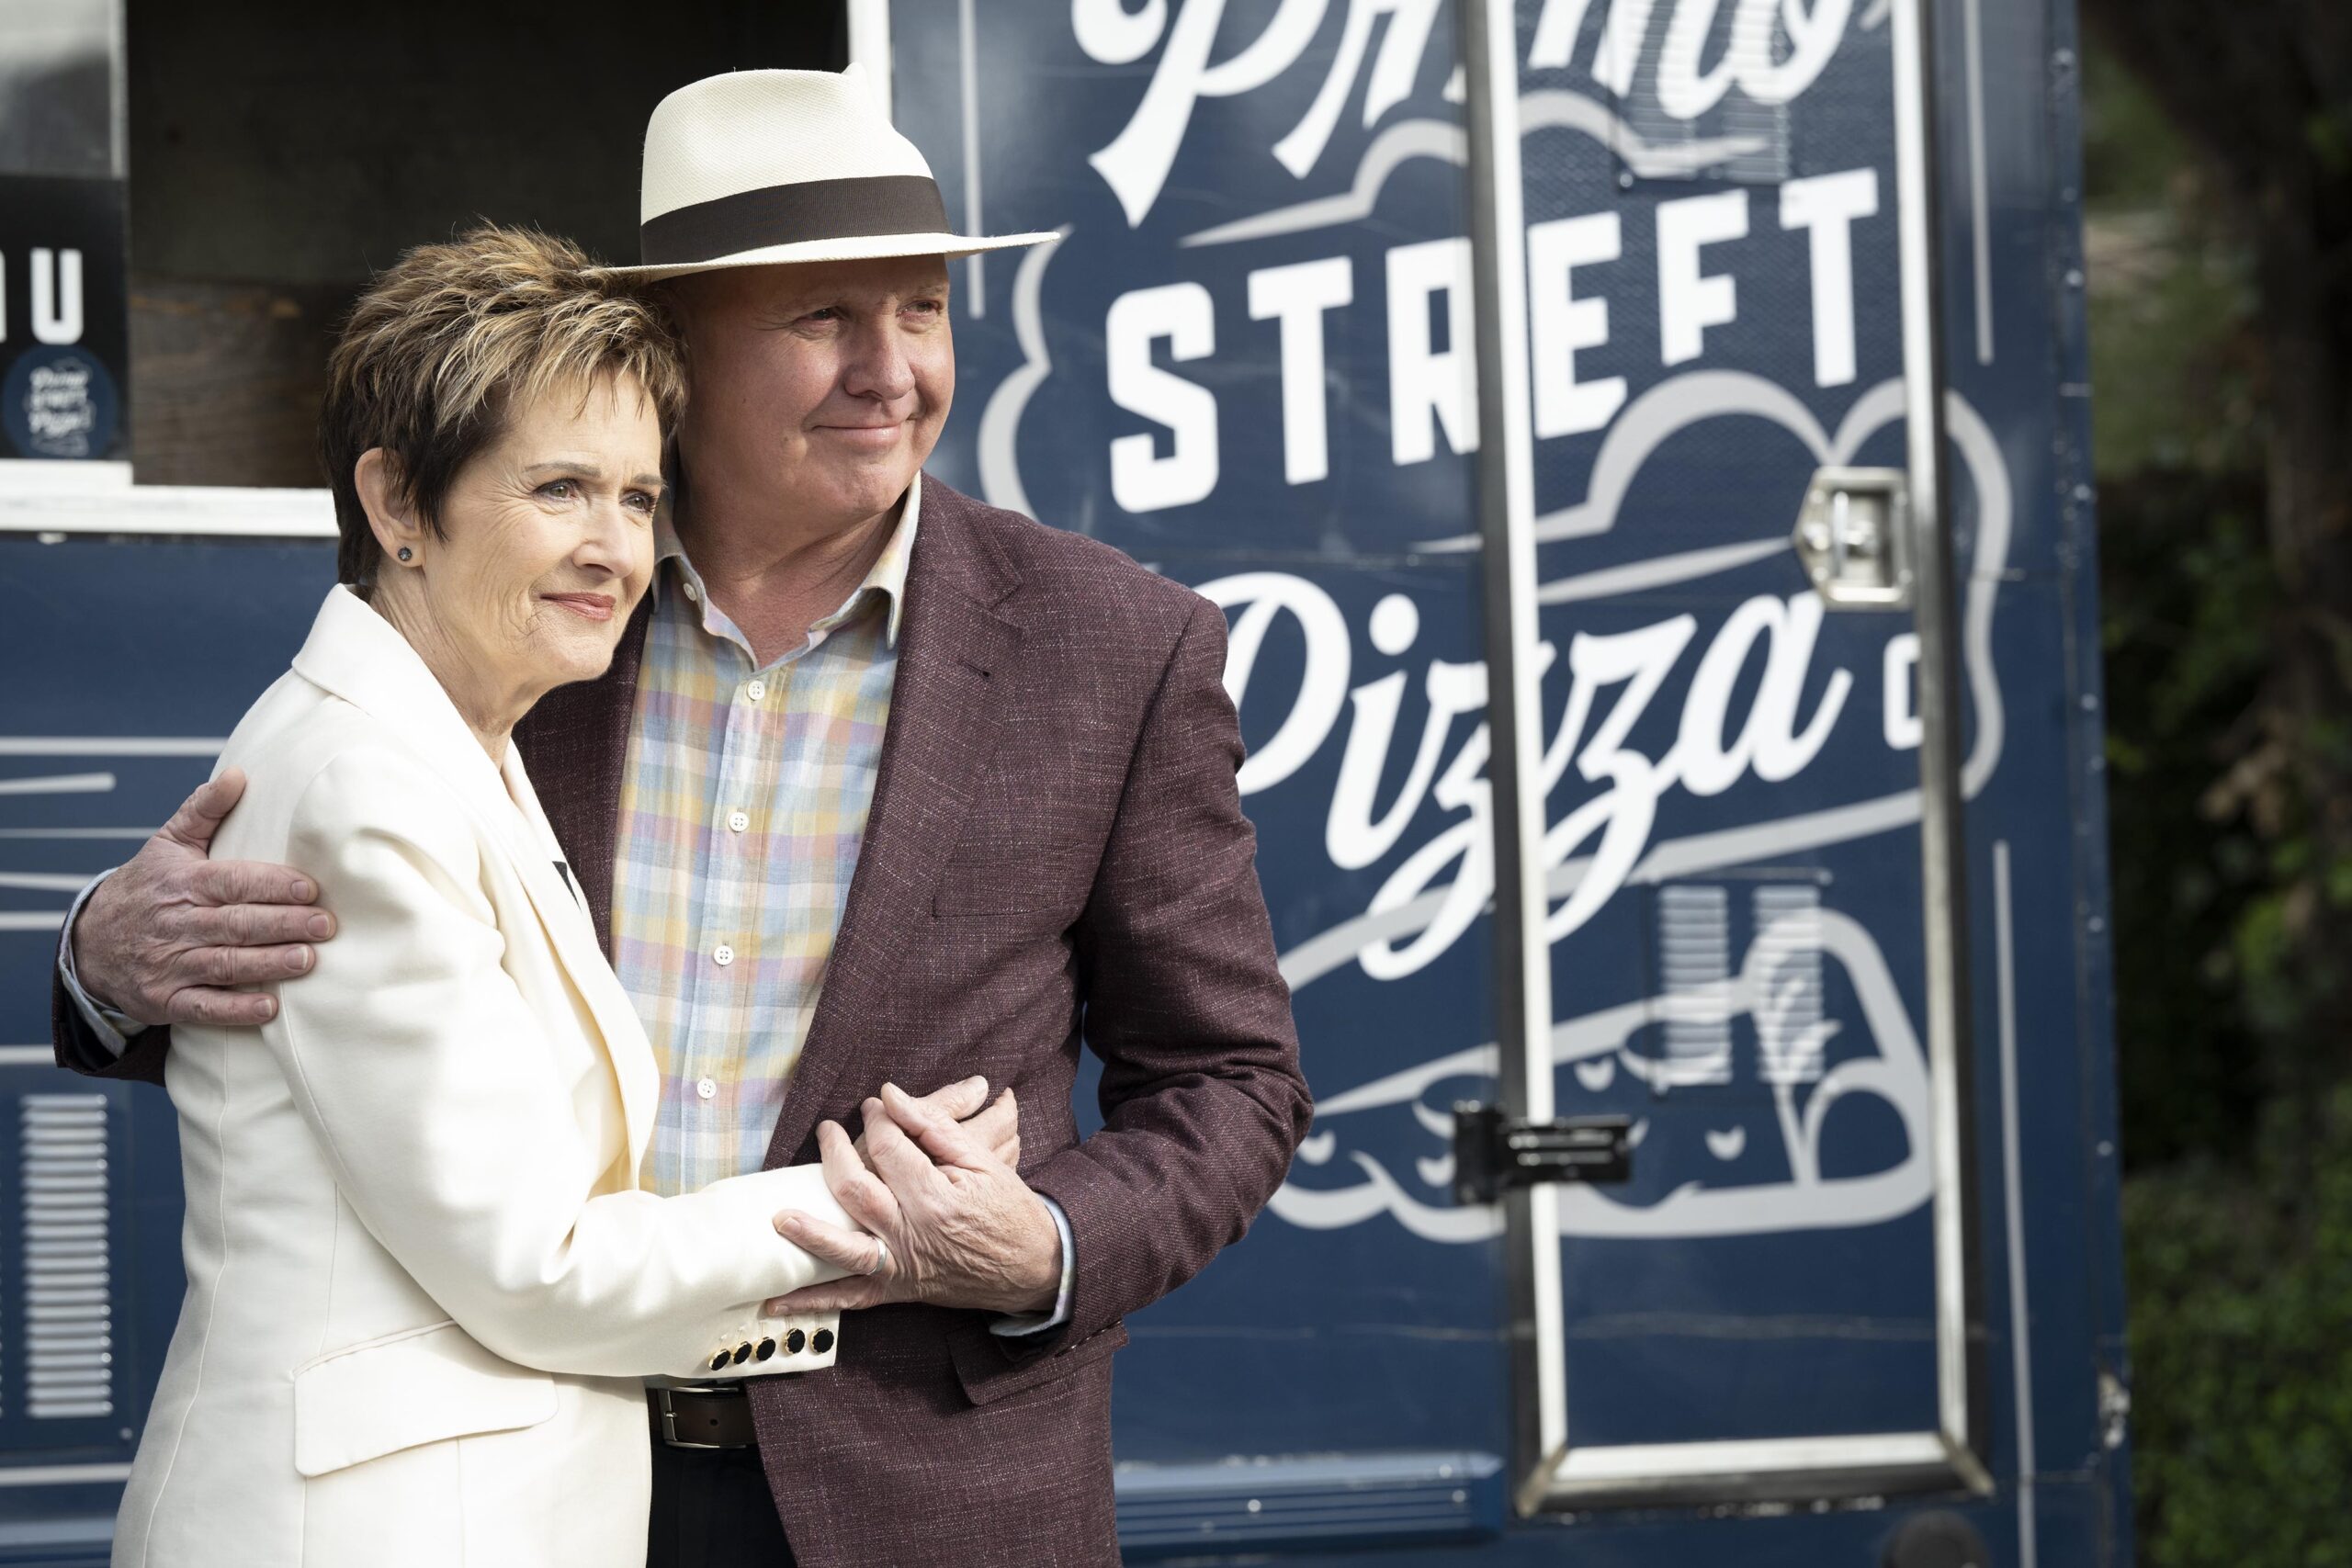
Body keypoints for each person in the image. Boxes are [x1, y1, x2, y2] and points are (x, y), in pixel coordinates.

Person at [56, 67, 1313, 1568]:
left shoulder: (1117, 647)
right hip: (540, 1473)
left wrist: (1041, 1245)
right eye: (820, 319)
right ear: (675, 345)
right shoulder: (532, 609)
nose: (889, 369)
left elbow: (1232, 1081)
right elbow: (326, 949)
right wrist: (104, 964)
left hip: (922, 1499)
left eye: (919, 310)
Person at [98, 225, 1020, 1568]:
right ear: (397, 503)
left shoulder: (461, 736)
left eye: (641, 500)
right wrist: (871, 1205)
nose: (616, 551)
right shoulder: (367, 783)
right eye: (560, 490)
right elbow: (533, 1266)